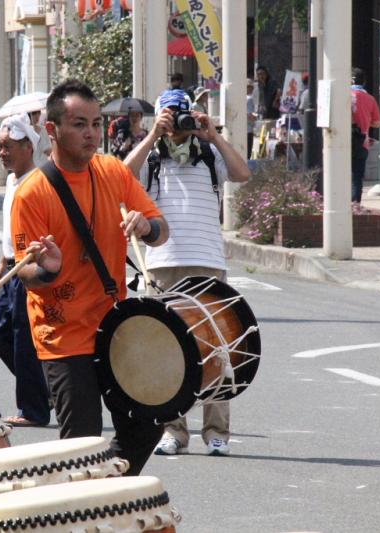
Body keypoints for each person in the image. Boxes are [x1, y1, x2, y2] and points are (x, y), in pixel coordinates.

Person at [10, 79, 170, 475]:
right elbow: (25, 272)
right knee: (80, 443)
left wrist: (145, 227)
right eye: (80, 124)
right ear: (52, 130)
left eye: (97, 123)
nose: (92, 133)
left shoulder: (113, 171)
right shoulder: (31, 192)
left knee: (153, 412)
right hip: (63, 336)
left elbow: (160, 227)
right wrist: (47, 267)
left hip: (114, 324)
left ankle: (109, 481)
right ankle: (84, 497)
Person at [124, 88, 251, 457]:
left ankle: (216, 432)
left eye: (182, 117)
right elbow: (122, 175)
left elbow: (243, 173)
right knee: (165, 351)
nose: (178, 125)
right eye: (171, 117)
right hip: (161, 265)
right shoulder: (153, 157)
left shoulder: (210, 154)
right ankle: (173, 431)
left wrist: (212, 134)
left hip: (208, 260)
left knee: (217, 350)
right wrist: (152, 135)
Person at [0, 113, 51, 428]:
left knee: (25, 341)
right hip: (12, 268)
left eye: (8, 146)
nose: (2, 152)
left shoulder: (39, 182)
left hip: (30, 269)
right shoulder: (13, 180)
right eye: (0, 146)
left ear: (28, 146)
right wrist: (3, 260)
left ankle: (33, 409)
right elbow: (9, 229)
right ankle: (44, 389)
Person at [350, 67, 380, 204]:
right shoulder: (370, 99)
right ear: (364, 82)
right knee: (357, 176)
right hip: (362, 140)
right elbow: (377, 123)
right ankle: (355, 205)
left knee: (340, 173)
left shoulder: (343, 95)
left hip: (341, 141)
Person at [247, 78, 257, 157]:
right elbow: (249, 115)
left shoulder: (239, 98)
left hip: (241, 130)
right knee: (248, 154)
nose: (252, 89)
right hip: (249, 129)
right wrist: (256, 119)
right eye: (251, 87)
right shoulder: (249, 99)